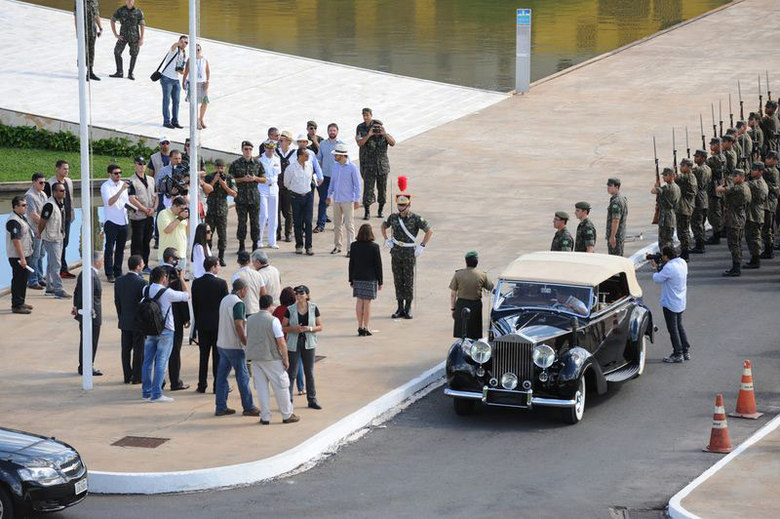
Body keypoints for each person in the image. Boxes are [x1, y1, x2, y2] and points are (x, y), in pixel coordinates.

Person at [246, 295, 300, 425]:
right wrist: (286, 359)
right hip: (272, 358)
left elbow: (248, 337)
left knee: (261, 388)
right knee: (281, 386)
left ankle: (265, 417)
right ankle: (287, 414)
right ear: (270, 306)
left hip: (256, 359)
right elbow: (281, 342)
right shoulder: (273, 320)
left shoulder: (251, 319)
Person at [141, 265, 190, 403]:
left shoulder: (145, 289)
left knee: (148, 361)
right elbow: (187, 295)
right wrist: (181, 279)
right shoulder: (167, 292)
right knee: (161, 361)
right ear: (164, 278)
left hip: (150, 329)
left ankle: (146, 392)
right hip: (166, 330)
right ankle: (156, 394)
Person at [381, 193, 433, 319]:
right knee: (398, 280)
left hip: (409, 253)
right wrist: (386, 239)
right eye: (399, 204)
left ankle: (408, 308)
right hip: (396, 251)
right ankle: (399, 307)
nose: (401, 207)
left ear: (409, 205)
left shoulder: (415, 218)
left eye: (403, 205)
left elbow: (429, 231)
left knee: (408, 281)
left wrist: (422, 246)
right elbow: (384, 225)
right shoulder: (393, 217)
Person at [215, 278, 261, 417]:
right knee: (243, 377)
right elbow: (239, 325)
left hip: (222, 344)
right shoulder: (238, 303)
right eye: (246, 290)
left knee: (221, 377)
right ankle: (248, 406)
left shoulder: (225, 299)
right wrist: (245, 343)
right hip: (234, 346)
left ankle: (220, 407)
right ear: (242, 290)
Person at [283, 285, 323, 409]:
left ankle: (312, 399)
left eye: (301, 293)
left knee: (309, 372)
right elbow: (283, 327)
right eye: (297, 294)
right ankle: (287, 400)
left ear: (307, 295)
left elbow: (320, 326)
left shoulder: (313, 307)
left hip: (309, 342)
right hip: (294, 343)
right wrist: (294, 329)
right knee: (292, 372)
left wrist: (309, 328)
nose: (299, 296)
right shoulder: (290, 309)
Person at [192, 256, 227, 394]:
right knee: (217, 356)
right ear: (213, 267)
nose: (218, 268)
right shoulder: (221, 283)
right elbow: (224, 306)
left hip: (202, 323)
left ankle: (202, 384)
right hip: (217, 324)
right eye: (217, 265)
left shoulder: (196, 283)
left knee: (203, 355)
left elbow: (195, 305)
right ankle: (216, 386)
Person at [650, 247, 691, 363]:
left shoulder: (669, 268)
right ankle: (685, 350)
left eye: (663, 256)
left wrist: (654, 267)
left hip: (670, 303)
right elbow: (666, 273)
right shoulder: (682, 262)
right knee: (679, 326)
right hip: (680, 301)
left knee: (673, 329)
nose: (662, 257)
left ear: (667, 256)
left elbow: (657, 279)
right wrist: (660, 266)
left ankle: (678, 354)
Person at [356, 108, 395, 220]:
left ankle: (380, 210)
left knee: (382, 191)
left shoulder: (385, 136)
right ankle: (367, 211)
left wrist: (384, 133)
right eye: (375, 128)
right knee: (368, 190)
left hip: (382, 167)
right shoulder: (364, 131)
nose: (377, 129)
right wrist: (369, 134)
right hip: (369, 167)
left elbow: (393, 143)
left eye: (378, 127)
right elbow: (360, 143)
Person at [160, 247, 190, 390]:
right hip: (175, 318)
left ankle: (160, 380)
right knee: (174, 351)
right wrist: (186, 317)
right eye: (177, 258)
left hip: (158, 319)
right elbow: (182, 298)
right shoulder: (175, 274)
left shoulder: (157, 272)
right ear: (171, 259)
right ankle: (175, 381)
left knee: (159, 351)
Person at [114, 254, 146, 384]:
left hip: (125, 320)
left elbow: (117, 302)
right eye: (142, 263)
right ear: (138, 266)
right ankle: (137, 376)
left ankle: (127, 375)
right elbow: (144, 304)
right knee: (139, 350)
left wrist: (121, 316)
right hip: (138, 322)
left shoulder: (119, 281)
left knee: (125, 350)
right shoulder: (142, 283)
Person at [327, 143, 362, 256]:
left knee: (349, 225)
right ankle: (337, 246)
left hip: (348, 200)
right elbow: (332, 182)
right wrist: (329, 195)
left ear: (341, 156)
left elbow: (357, 185)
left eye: (336, 155)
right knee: (337, 224)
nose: (334, 156)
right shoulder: (335, 166)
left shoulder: (352, 167)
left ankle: (350, 248)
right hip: (337, 199)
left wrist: (357, 199)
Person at [231, 140, 266, 253]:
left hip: (254, 197)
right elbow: (231, 180)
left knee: (255, 223)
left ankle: (255, 245)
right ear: (242, 150)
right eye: (246, 149)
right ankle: (241, 245)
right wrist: (243, 179)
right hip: (241, 198)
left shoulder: (257, 163)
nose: (248, 151)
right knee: (242, 223)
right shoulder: (236, 164)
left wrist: (255, 178)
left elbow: (264, 179)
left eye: (250, 149)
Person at [449, 251, 493, 339]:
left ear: (466, 262)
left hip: (461, 305)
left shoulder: (458, 274)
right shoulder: (482, 275)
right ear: (477, 262)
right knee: (474, 332)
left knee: (462, 332)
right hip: (475, 306)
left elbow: (453, 294)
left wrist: (453, 309)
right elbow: (490, 287)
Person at [73, 252, 104, 376]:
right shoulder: (90, 274)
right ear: (96, 262)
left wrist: (75, 305)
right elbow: (88, 294)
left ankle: (84, 365)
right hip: (92, 314)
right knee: (91, 340)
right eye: (101, 261)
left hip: (88, 312)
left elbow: (77, 292)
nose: (102, 263)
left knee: (87, 340)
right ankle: (87, 366)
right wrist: (90, 310)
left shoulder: (85, 273)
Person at [44, 160, 76, 279]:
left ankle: (62, 268)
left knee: (65, 242)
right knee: (57, 244)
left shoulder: (69, 181)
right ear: (57, 169)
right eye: (64, 169)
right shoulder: (50, 183)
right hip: (56, 219)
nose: (66, 171)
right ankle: (60, 269)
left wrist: (72, 214)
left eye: (67, 169)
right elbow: (46, 201)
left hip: (67, 216)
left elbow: (70, 198)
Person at [349, 224, 382, 336]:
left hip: (357, 277)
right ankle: (366, 327)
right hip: (370, 278)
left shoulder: (354, 246)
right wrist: (380, 281)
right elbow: (378, 265)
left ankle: (360, 326)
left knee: (359, 301)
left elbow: (351, 263)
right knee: (367, 303)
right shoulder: (374, 247)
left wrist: (351, 279)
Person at [717, 169, 751, 277]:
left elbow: (720, 189)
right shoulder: (745, 186)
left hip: (734, 220)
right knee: (737, 244)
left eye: (736, 176)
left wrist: (723, 185)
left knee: (734, 244)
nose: (733, 178)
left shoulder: (738, 189)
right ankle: (736, 265)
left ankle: (736, 268)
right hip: (739, 218)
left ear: (741, 177)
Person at [38, 181, 69, 299]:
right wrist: (39, 233)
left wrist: (63, 231)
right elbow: (42, 221)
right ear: (55, 192)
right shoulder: (49, 205)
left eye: (64, 190)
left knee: (51, 263)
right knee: (56, 264)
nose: (64, 192)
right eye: (61, 191)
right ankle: (58, 289)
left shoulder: (60, 203)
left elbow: (61, 219)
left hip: (58, 237)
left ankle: (50, 287)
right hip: (51, 238)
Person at [203, 158, 236, 266]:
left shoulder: (229, 178)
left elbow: (234, 194)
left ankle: (221, 257)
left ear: (224, 168)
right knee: (208, 234)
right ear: (214, 167)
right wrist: (214, 181)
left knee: (222, 235)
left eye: (221, 168)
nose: (220, 170)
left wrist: (224, 185)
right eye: (218, 168)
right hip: (211, 211)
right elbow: (206, 192)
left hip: (222, 211)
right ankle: (208, 256)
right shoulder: (209, 177)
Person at [285, 148, 317, 255]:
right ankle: (299, 245)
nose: (307, 157)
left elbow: (310, 180)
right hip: (296, 197)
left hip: (308, 196)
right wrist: (296, 189)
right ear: (299, 156)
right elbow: (286, 183)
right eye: (305, 155)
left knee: (308, 222)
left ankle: (309, 246)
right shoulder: (291, 168)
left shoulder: (309, 166)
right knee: (297, 222)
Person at [101, 164, 130, 282]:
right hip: (111, 221)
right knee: (109, 248)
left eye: (120, 173)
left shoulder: (124, 185)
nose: (119, 175)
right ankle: (109, 273)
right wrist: (121, 190)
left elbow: (125, 201)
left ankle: (118, 271)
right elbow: (110, 202)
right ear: (110, 174)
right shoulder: (105, 186)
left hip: (123, 220)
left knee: (120, 248)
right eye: (116, 173)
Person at [6, 196, 35, 314]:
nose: (26, 207)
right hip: (17, 257)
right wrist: (22, 258)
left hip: (25, 254)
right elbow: (16, 240)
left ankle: (21, 302)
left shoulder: (22, 217)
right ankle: (16, 305)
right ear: (15, 207)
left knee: (23, 279)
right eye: (23, 205)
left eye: (26, 205)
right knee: (18, 280)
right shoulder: (13, 221)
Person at [127, 156, 156, 271]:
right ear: (135, 165)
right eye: (139, 164)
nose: (142, 166)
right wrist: (145, 209)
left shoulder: (151, 179)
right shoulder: (132, 181)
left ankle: (145, 265)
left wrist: (153, 208)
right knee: (137, 243)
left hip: (149, 215)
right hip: (138, 217)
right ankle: (135, 267)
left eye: (144, 164)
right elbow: (132, 199)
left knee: (147, 241)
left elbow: (156, 195)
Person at [273, 287, 303, 395]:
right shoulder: (294, 309)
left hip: (280, 341)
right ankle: (301, 388)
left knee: (284, 365)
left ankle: (283, 386)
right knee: (298, 363)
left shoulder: (278, 309)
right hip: (292, 340)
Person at [315, 123, 343, 232]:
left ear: (337, 132)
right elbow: (318, 159)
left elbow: (346, 161)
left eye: (334, 130)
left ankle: (338, 225)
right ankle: (320, 225)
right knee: (323, 200)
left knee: (339, 201)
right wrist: (318, 174)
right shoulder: (323, 144)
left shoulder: (341, 145)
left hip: (338, 177)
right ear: (328, 131)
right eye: (330, 130)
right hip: (325, 176)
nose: (332, 132)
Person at [109, 0, 145, 80]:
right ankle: (119, 72)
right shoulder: (121, 10)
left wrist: (141, 38)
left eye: (131, 0)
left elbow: (142, 25)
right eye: (127, 0)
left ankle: (130, 73)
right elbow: (112, 20)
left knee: (134, 54)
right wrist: (115, 34)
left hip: (134, 37)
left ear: (133, 1)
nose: (129, 1)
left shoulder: (138, 11)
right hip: (123, 36)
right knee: (117, 52)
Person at [158, 35, 188, 129]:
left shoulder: (184, 53)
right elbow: (173, 46)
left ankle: (175, 121)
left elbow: (180, 67)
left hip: (175, 79)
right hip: (167, 78)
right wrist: (177, 43)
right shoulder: (175, 49)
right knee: (166, 101)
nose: (184, 44)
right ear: (179, 41)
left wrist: (182, 71)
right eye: (182, 41)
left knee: (177, 101)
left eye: (186, 42)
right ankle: (166, 122)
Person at [25, 173, 48, 290]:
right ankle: (32, 280)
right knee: (34, 256)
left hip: (42, 230)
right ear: (34, 182)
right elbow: (33, 214)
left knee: (41, 255)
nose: (43, 184)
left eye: (44, 182)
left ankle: (39, 277)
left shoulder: (43, 194)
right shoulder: (29, 196)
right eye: (41, 182)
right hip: (35, 230)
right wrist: (46, 223)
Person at [743, 162, 768, 269]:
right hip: (753, 212)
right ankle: (754, 257)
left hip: (756, 213)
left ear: (761, 171)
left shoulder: (758, 184)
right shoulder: (757, 182)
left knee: (755, 237)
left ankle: (756, 260)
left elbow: (743, 185)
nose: (752, 171)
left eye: (755, 169)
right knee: (751, 236)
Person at [258, 140, 281, 249]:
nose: (271, 150)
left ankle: (272, 241)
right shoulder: (260, 160)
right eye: (269, 148)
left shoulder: (277, 159)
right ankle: (258, 240)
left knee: (273, 216)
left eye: (272, 148)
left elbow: (277, 174)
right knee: (263, 215)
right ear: (265, 148)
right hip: (262, 188)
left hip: (274, 188)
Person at [651, 168, 680, 254]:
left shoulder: (667, 187)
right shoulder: (677, 187)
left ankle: (666, 257)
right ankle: (670, 256)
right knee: (669, 239)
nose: (663, 177)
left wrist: (656, 186)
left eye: (665, 175)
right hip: (672, 215)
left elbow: (653, 191)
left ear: (671, 176)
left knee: (664, 241)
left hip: (665, 217)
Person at [182, 43, 210, 129]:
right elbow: (186, 72)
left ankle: (201, 119)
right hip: (193, 83)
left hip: (202, 83)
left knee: (205, 102)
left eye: (198, 49)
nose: (197, 51)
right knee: (194, 103)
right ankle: (196, 121)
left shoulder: (204, 60)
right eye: (195, 49)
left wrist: (207, 81)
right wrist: (183, 81)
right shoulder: (190, 60)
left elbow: (207, 71)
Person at [675, 159, 698, 261]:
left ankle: (685, 253)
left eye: (682, 165)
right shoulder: (691, 176)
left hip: (684, 208)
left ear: (688, 167)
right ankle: (685, 251)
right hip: (687, 207)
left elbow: (675, 179)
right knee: (684, 230)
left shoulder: (687, 177)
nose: (680, 167)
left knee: (683, 231)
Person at [73, 0, 103, 81]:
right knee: (83, 51)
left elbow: (96, 15)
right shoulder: (80, 2)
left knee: (91, 51)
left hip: (93, 31)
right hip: (83, 31)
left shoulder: (94, 1)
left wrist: (100, 28)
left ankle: (90, 72)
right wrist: (77, 32)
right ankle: (81, 73)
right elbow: (76, 16)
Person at [690, 150, 712, 254]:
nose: (695, 158)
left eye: (697, 157)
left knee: (697, 223)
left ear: (703, 158)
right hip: (704, 197)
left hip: (698, 198)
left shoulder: (697, 170)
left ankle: (699, 245)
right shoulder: (708, 168)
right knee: (701, 222)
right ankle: (700, 243)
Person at [157, 197, 189, 269]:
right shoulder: (163, 214)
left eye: (184, 209)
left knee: (179, 279)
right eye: (181, 209)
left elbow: (187, 232)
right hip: (167, 256)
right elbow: (168, 230)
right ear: (174, 206)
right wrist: (180, 218)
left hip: (181, 254)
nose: (182, 211)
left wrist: (189, 219)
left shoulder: (181, 217)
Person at [276, 131, 297, 243]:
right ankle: (277, 233)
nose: (280, 142)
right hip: (277, 185)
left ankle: (288, 233)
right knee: (276, 210)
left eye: (282, 140)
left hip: (288, 186)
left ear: (288, 142)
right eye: (280, 140)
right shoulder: (275, 152)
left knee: (288, 211)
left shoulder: (294, 153)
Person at [231, 251, 266, 317]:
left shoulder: (236, 276)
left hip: (243, 310)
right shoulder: (258, 274)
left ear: (238, 261)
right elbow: (263, 293)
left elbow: (235, 294)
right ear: (249, 261)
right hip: (256, 309)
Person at [706, 138, 727, 245]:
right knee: (717, 211)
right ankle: (717, 233)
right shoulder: (721, 156)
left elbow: (705, 164)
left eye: (713, 145)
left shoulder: (716, 158)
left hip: (715, 187)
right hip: (719, 185)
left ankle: (716, 235)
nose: (711, 147)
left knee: (715, 212)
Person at [762, 151, 779, 258]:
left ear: (775, 160)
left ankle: (769, 250)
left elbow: (760, 171)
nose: (767, 160)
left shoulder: (770, 171)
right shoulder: (773, 170)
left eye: (769, 158)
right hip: (771, 201)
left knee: (767, 227)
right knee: (769, 227)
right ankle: (769, 248)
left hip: (770, 202)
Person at [606, 177, 628, 256]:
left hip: (616, 237)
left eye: (610, 186)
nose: (608, 188)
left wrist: (612, 236)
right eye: (608, 186)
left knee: (615, 259)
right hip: (619, 235)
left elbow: (616, 220)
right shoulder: (622, 198)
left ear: (616, 187)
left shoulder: (616, 202)